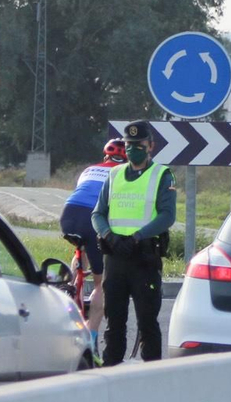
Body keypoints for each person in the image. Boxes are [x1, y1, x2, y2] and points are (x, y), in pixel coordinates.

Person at [91, 120, 176, 366]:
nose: (132, 149)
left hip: (144, 258)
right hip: (115, 257)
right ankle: (110, 372)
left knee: (147, 323)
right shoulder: (114, 174)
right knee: (114, 323)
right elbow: (98, 214)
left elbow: (167, 215)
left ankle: (152, 375)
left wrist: (138, 236)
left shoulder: (162, 174)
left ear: (150, 146)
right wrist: (109, 236)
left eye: (138, 145)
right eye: (128, 145)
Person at [61, 138, 126, 358]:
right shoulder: (123, 174)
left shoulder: (89, 169)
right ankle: (92, 341)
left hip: (68, 215)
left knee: (81, 248)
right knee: (102, 284)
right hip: (91, 219)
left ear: (105, 155)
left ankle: (70, 284)